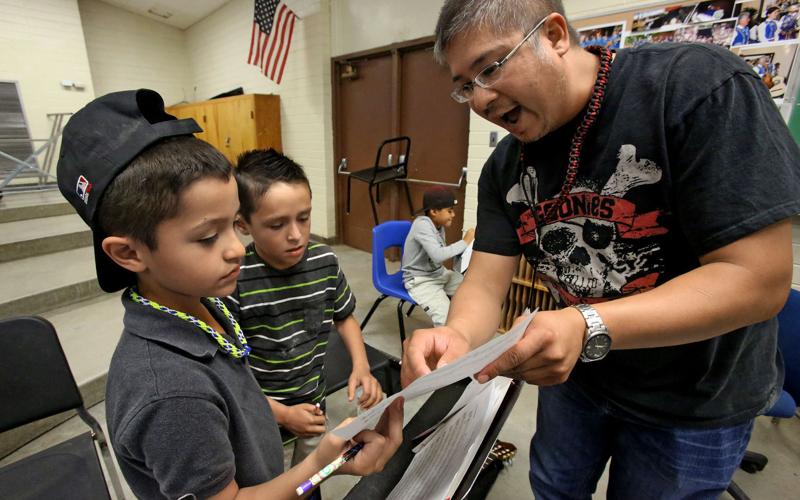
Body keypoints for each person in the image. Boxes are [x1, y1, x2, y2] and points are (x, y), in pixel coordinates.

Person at [402, 1, 800, 498]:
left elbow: (757, 280)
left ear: (553, 35)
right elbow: (484, 281)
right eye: (465, 85)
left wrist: (587, 323)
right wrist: (457, 337)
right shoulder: (505, 168)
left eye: (491, 67)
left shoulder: (696, 89)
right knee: (553, 487)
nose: (480, 98)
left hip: (694, 399)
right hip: (578, 379)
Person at [56, 89, 402, 500]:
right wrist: (323, 466)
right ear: (129, 253)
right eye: (207, 237)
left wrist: (315, 468)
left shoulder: (205, 302)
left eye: (232, 226)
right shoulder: (171, 396)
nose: (237, 248)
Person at [225, 148, 384, 475]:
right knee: (275, 482)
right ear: (244, 225)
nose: (296, 234)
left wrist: (362, 365)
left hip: (314, 404)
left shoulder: (324, 262)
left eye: (303, 217)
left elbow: (344, 317)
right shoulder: (234, 280)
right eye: (277, 224)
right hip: (264, 417)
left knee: (311, 476)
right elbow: (230, 374)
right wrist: (283, 415)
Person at [401, 186, 475, 326]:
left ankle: (464, 329)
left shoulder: (438, 226)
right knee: (446, 319)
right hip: (420, 281)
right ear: (434, 211)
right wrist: (465, 241)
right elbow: (437, 256)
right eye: (449, 211)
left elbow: (440, 255)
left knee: (471, 289)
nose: (453, 215)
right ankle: (446, 344)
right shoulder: (422, 225)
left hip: (438, 274)